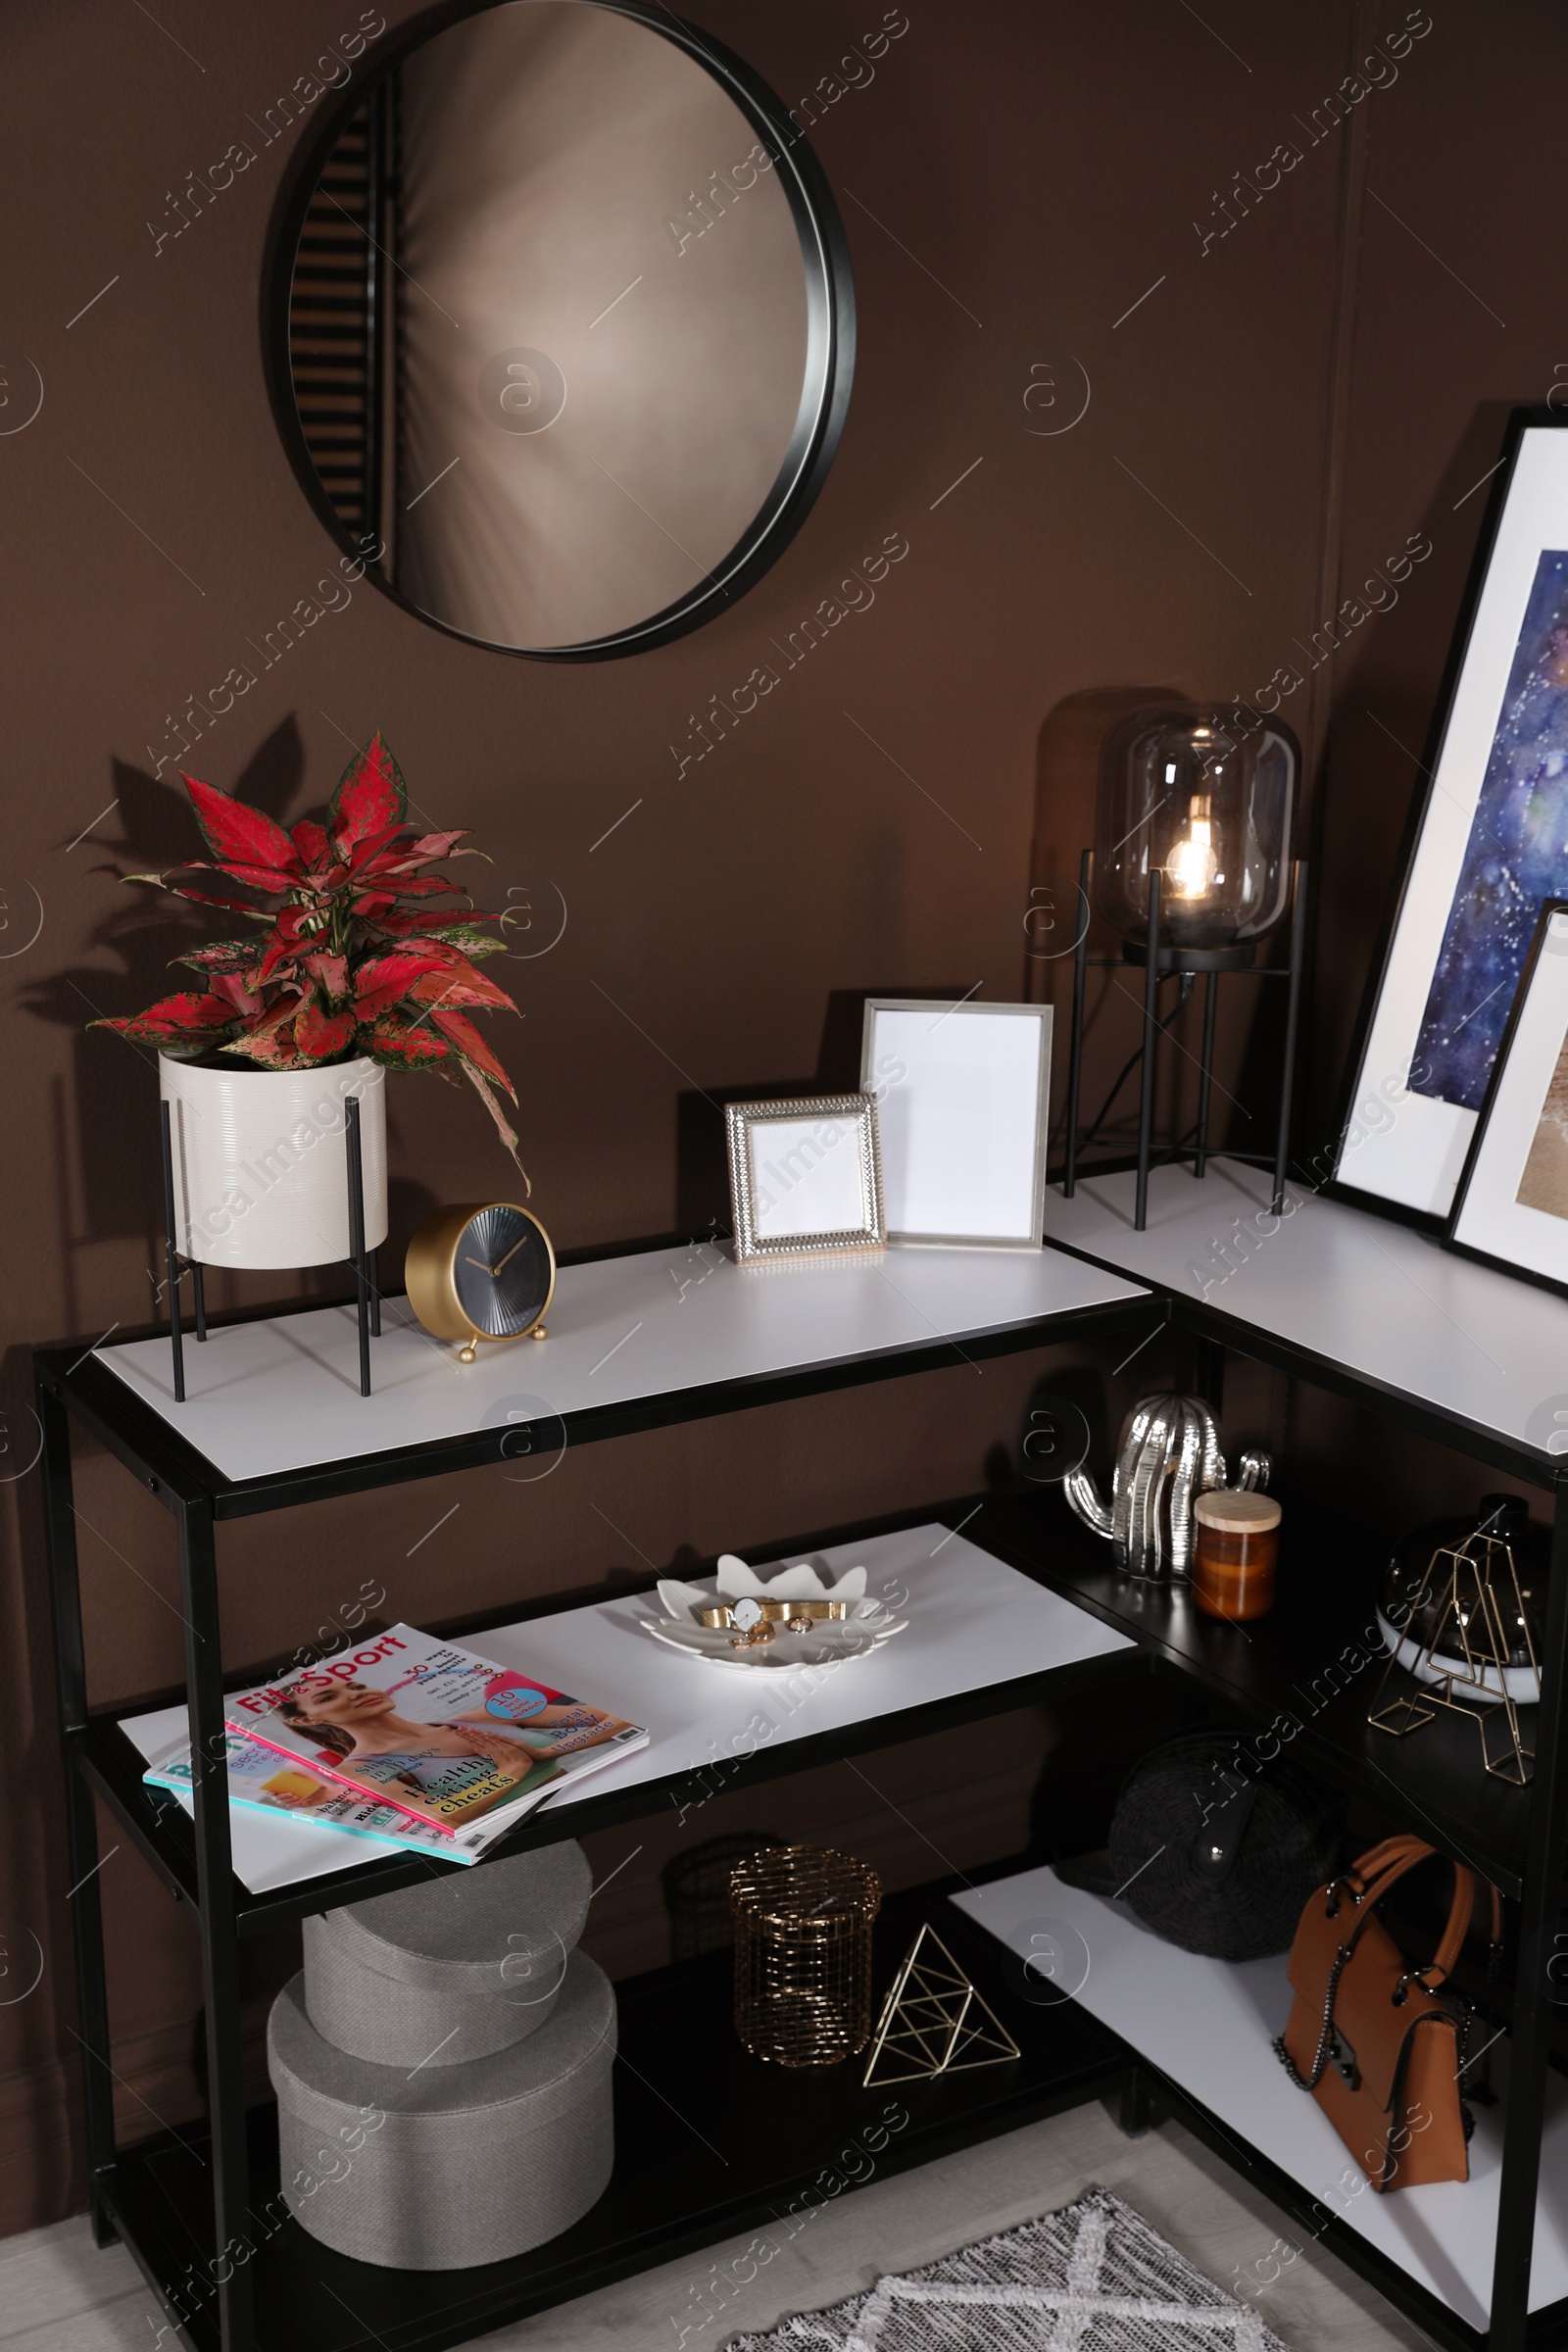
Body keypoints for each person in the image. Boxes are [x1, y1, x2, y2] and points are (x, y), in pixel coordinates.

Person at [274, 1678, 635, 1818]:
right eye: (329, 1696)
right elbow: (442, 1816)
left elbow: (615, 1719)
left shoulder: (478, 1716)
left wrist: (546, 1752)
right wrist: (511, 1771)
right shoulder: (357, 1770)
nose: (357, 1694)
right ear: (306, 1721)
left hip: (602, 1804)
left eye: (356, 1684)